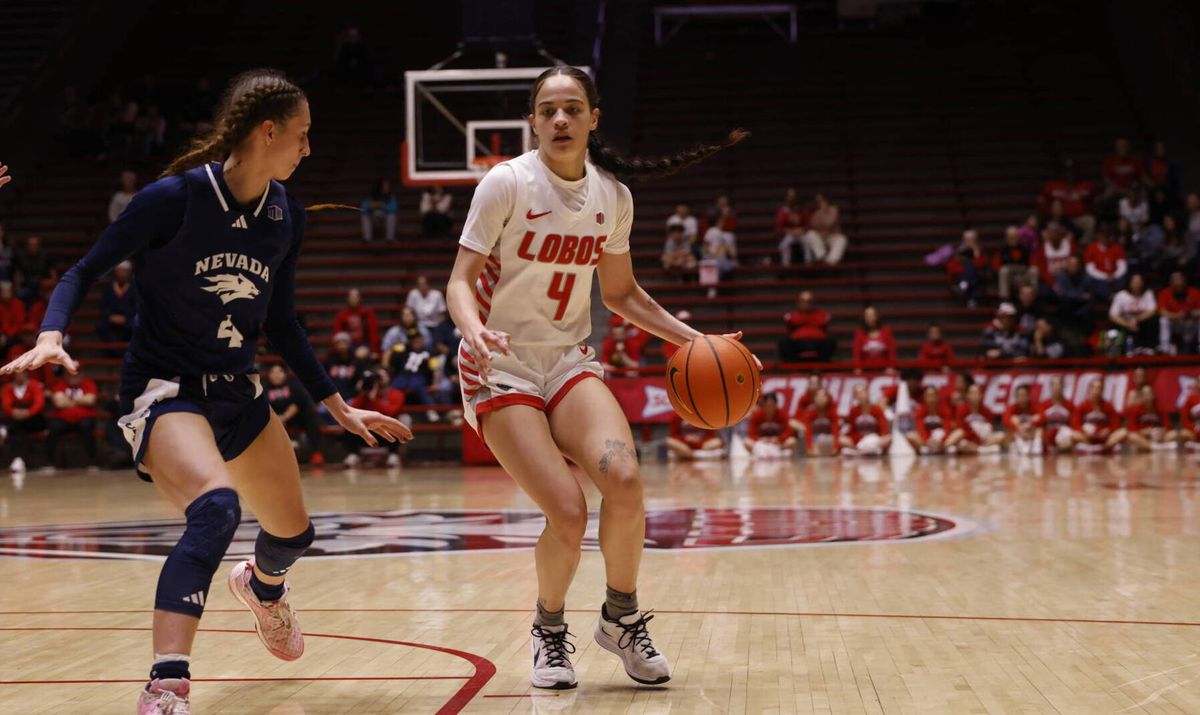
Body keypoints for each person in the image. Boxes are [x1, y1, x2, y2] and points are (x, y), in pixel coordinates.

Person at [0, 69, 411, 712]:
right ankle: (166, 685)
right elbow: (84, 269)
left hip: (239, 393)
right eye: (301, 136)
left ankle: (263, 588)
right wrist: (52, 333)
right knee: (217, 509)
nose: (308, 149)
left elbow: (282, 323)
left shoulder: (284, 216)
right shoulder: (173, 199)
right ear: (267, 131)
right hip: (165, 391)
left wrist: (336, 404)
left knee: (293, 535)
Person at [445, 65, 746, 690]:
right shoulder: (506, 183)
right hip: (498, 365)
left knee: (627, 482)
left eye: (572, 109)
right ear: (533, 120)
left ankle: (620, 617)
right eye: (548, 109)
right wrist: (473, 327)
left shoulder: (613, 197)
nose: (560, 119)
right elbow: (459, 281)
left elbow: (624, 295)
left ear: (592, 119)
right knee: (566, 509)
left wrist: (701, 342)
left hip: (566, 359)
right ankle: (549, 632)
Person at [343, 368, 409, 468]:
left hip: (387, 432)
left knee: (399, 422)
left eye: (382, 376)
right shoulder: (365, 395)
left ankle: (393, 454)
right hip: (367, 432)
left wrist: (373, 399)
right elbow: (352, 411)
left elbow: (391, 413)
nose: (379, 380)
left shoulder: (396, 394)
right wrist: (362, 393)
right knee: (348, 422)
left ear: (389, 377)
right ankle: (354, 454)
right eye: (377, 377)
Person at [265, 363, 325, 466]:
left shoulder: (293, 385)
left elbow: (296, 404)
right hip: (275, 418)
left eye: (279, 372)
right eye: (273, 372)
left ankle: (317, 453)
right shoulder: (264, 388)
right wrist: (276, 418)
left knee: (312, 420)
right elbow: (265, 406)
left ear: (285, 374)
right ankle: (271, 458)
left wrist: (284, 417)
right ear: (269, 375)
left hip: (295, 417)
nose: (276, 375)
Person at [45, 363, 100, 470]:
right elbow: (58, 403)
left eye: (76, 373)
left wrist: (68, 400)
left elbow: (90, 400)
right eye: (70, 373)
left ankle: (93, 462)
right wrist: (80, 400)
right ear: (65, 374)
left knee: (87, 427)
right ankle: (49, 463)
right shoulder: (60, 384)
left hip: (84, 420)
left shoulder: (88, 383)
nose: (74, 376)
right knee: (53, 427)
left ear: (81, 374)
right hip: (63, 420)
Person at [2, 368, 46, 472]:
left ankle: (6, 430)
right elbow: (6, 404)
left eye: (22, 373)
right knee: (19, 429)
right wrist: (13, 412)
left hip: (34, 420)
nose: (20, 375)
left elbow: (39, 403)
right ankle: (18, 460)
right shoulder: (7, 388)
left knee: (18, 426)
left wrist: (28, 412)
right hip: (17, 420)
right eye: (17, 373)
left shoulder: (34, 385)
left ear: (26, 373)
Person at [778, 290, 834, 363]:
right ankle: (794, 370)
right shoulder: (791, 314)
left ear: (813, 302)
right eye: (803, 301)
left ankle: (820, 369)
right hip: (797, 342)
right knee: (784, 344)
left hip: (818, 342)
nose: (806, 304)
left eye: (809, 301)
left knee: (830, 343)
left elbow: (824, 320)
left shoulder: (821, 314)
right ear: (798, 302)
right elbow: (791, 320)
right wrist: (811, 320)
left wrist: (803, 320)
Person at [1108, 274, 1157, 355]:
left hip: (1142, 322)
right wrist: (1127, 324)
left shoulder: (1148, 293)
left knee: (1153, 320)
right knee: (1114, 325)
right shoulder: (1121, 295)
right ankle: (1122, 349)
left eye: (1139, 282)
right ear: (1129, 283)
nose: (1137, 284)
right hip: (1125, 323)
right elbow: (1113, 315)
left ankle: (1148, 347)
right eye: (1134, 282)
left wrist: (1137, 319)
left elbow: (1152, 310)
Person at [1072, 381, 1127, 454]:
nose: (1096, 391)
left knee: (1123, 432)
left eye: (1099, 388)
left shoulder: (1108, 406)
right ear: (1090, 390)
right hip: (1087, 437)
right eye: (1094, 388)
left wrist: (1108, 430)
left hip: (1104, 439)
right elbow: (1075, 424)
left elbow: (1115, 423)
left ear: (1102, 391)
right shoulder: (1082, 406)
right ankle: (1093, 447)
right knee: (1073, 434)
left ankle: (1102, 448)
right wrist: (1085, 432)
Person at [954, 383, 1005, 454]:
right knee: (961, 443)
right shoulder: (961, 409)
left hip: (984, 440)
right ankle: (982, 450)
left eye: (977, 393)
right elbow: (961, 428)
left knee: (1001, 435)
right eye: (972, 393)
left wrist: (984, 436)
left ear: (981, 395)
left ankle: (979, 449)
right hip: (969, 439)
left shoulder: (987, 411)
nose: (975, 396)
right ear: (967, 395)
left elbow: (991, 428)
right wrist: (976, 438)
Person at [841, 384, 891, 456]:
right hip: (858, 440)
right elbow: (852, 430)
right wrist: (853, 440)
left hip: (874, 438)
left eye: (862, 392)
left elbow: (883, 427)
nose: (861, 395)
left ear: (867, 393)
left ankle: (862, 451)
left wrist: (883, 437)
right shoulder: (853, 410)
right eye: (858, 394)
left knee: (888, 438)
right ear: (855, 397)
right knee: (841, 439)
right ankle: (865, 451)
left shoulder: (877, 409)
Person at [1125, 384, 1177, 452]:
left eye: (1149, 393)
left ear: (1153, 395)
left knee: (1175, 433)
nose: (1147, 397)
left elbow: (1168, 426)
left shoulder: (1160, 409)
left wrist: (1161, 431)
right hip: (1142, 438)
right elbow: (1131, 428)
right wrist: (1143, 432)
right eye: (1144, 394)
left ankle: (1151, 446)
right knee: (1130, 436)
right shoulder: (1135, 410)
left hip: (1158, 437)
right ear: (1141, 397)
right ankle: (1156, 447)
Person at [1158, 271, 1200, 355]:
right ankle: (1165, 348)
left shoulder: (1194, 292)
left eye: (1181, 284)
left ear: (1185, 282)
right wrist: (1178, 315)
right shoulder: (1165, 293)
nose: (1179, 286)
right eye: (1176, 285)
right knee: (1163, 320)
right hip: (1175, 323)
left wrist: (1192, 314)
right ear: (1171, 284)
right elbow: (1162, 312)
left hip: (1190, 323)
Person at [405, 275, 453, 348]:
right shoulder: (413, 294)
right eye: (419, 284)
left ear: (428, 285)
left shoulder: (437, 294)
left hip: (435, 324)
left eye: (424, 284)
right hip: (418, 324)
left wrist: (440, 325)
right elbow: (409, 310)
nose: (422, 287)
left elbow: (442, 312)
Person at [97, 260, 136, 347]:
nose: (122, 274)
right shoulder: (108, 289)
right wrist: (110, 316)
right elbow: (103, 306)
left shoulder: (134, 289)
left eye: (124, 271)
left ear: (129, 272)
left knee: (135, 324)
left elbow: (136, 307)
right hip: (111, 319)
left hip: (128, 320)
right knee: (101, 326)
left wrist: (126, 318)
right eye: (120, 271)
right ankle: (113, 350)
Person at [745, 392, 797, 458]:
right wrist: (762, 439)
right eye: (767, 405)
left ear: (776, 405)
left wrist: (777, 439)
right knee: (747, 442)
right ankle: (759, 453)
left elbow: (789, 432)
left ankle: (779, 452)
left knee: (792, 441)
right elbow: (751, 434)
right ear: (763, 406)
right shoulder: (756, 415)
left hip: (778, 444)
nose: (769, 408)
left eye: (771, 405)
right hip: (762, 443)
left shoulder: (782, 414)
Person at [331, 287, 380, 354]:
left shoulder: (367, 313)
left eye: (356, 296)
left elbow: (373, 332)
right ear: (348, 298)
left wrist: (374, 350)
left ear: (360, 298)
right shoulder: (341, 315)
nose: (354, 299)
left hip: (363, 344)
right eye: (351, 297)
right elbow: (337, 333)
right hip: (347, 345)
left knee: (361, 353)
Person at [1039, 376, 1079, 452]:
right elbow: (1040, 423)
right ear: (1050, 388)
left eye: (1059, 385)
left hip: (1063, 437)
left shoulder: (1070, 405)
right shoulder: (1043, 405)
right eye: (1054, 385)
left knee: (1074, 434)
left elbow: (1074, 424)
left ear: (1063, 387)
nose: (1056, 388)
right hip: (1047, 437)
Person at [911, 385, 953, 454]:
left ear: (937, 397)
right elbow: (920, 429)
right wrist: (928, 441)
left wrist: (941, 441)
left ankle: (941, 448)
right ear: (924, 398)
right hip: (926, 441)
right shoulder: (919, 410)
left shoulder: (945, 410)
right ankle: (927, 448)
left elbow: (947, 429)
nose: (931, 399)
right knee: (911, 435)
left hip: (941, 441)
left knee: (959, 432)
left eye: (933, 395)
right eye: (928, 396)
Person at [852, 305, 896, 373]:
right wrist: (857, 368)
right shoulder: (859, 333)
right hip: (865, 370)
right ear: (864, 318)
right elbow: (857, 354)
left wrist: (891, 367)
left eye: (872, 315)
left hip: (884, 370)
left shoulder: (886, 331)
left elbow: (891, 352)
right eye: (867, 316)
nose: (870, 318)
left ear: (877, 316)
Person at [1003, 384, 1042, 455]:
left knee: (1038, 423)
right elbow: (1006, 420)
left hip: (1030, 433)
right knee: (1013, 419)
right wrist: (1018, 427)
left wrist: (1030, 424)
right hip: (1018, 434)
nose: (1022, 398)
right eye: (1019, 396)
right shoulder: (1011, 408)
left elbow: (1043, 418)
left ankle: (1037, 447)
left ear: (1028, 396)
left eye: (1024, 395)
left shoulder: (1034, 407)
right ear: (1016, 397)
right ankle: (1020, 445)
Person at [799, 388, 839, 456]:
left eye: (823, 396)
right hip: (814, 439)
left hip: (829, 439)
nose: (821, 399)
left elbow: (835, 431)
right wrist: (809, 448)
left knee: (842, 440)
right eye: (819, 397)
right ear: (814, 399)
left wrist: (835, 447)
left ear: (827, 398)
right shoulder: (810, 412)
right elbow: (808, 431)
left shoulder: (832, 412)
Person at [776, 188, 809, 266]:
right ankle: (785, 265)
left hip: (801, 233)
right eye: (790, 196)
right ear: (786, 197)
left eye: (793, 196)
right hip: (789, 234)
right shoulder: (783, 210)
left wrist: (802, 230)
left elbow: (808, 223)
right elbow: (779, 225)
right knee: (783, 245)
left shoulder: (802, 209)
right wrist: (789, 231)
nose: (792, 198)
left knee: (808, 242)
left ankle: (808, 262)